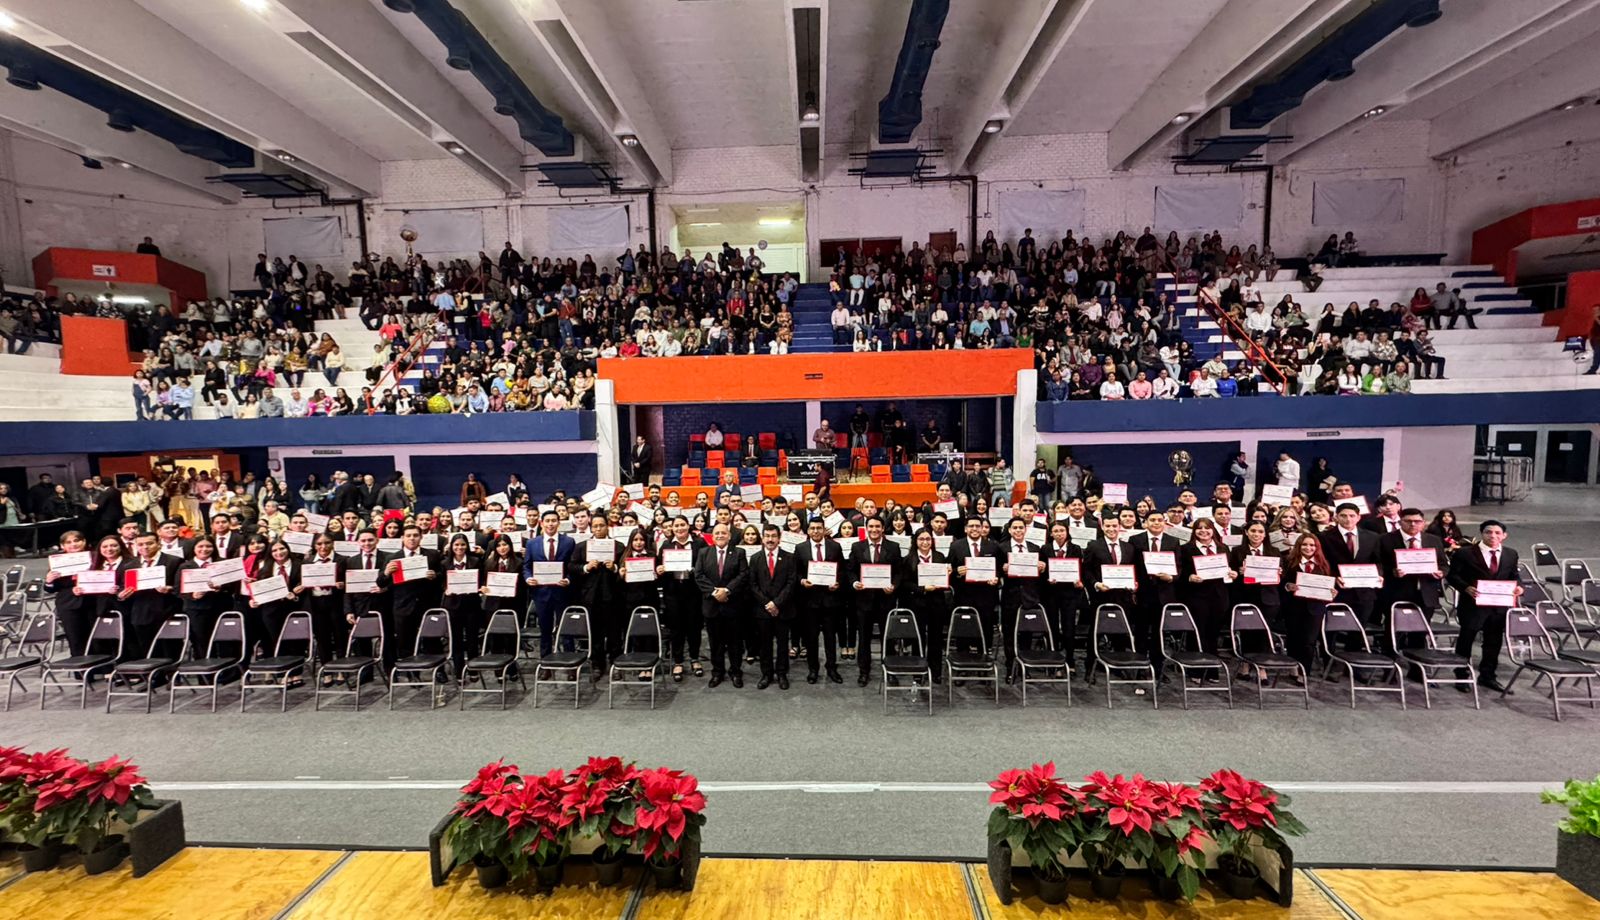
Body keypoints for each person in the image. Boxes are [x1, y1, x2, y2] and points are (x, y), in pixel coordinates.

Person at [1448, 520, 1521, 694]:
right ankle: (1462, 675)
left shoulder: (1511, 554)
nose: (1493, 536)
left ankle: (1487, 676)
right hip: (1472, 605)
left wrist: (1519, 586)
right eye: (1489, 532)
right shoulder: (1465, 553)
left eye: (1497, 533)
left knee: (1493, 642)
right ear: (1482, 534)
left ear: (1504, 536)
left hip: (1498, 606)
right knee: (1466, 640)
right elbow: (1452, 576)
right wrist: (1466, 587)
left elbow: (1514, 575)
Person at [848, 516, 901, 686]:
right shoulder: (857, 547)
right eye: (871, 526)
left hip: (886, 600)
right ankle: (864, 671)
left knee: (889, 638)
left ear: (883, 528)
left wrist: (894, 585)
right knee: (864, 638)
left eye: (877, 526)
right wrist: (854, 582)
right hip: (864, 601)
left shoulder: (893, 547)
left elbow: (899, 572)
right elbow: (850, 571)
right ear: (866, 528)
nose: (874, 529)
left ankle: (890, 670)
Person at [1319, 502, 1384, 639]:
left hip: (1364, 591)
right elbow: (1322, 563)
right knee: (1331, 631)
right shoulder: (1324, 537)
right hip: (1337, 590)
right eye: (1343, 516)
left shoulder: (1372, 537)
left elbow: (1378, 561)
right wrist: (1334, 577)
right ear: (1336, 517)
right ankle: (1329, 658)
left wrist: (1379, 574)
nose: (1348, 519)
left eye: (1352, 516)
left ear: (1358, 517)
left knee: (1358, 631)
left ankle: (1354, 656)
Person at [694, 522, 748, 688]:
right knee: (715, 642)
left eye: (723, 533)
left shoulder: (739, 552)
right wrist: (715, 592)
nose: (720, 536)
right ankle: (717, 672)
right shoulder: (704, 552)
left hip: (732, 605)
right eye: (716, 533)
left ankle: (736, 671)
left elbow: (743, 574)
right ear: (712, 536)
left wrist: (727, 590)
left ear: (729, 535)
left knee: (735, 642)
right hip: (712, 606)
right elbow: (699, 575)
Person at [568, 517, 621, 679]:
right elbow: (571, 566)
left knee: (614, 632)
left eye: (601, 526)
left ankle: (616, 663)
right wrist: (586, 567)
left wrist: (615, 568)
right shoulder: (582, 547)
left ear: (608, 527)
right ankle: (597, 664)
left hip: (612, 596)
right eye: (595, 526)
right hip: (590, 596)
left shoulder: (618, 547)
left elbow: (626, 567)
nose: (598, 529)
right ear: (591, 528)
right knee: (595, 632)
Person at [747, 524, 798, 690]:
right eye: (767, 536)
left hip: (783, 609)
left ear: (779, 538)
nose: (770, 539)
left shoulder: (789, 557)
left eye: (773, 536)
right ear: (762, 538)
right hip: (762, 610)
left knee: (783, 644)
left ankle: (782, 673)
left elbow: (791, 583)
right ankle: (766, 674)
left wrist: (777, 603)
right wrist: (767, 604)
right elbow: (752, 584)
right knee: (764, 644)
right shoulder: (755, 558)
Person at [380, 523, 441, 661]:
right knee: (405, 641)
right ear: (402, 538)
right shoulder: (393, 558)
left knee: (433, 641)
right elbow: (380, 583)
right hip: (403, 607)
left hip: (428, 605)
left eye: (415, 535)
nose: (412, 538)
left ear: (421, 537)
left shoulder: (432, 554)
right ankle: (410, 673)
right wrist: (386, 573)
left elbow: (443, 576)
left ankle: (439, 671)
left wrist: (435, 576)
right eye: (408, 536)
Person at [797, 516, 846, 684]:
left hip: (830, 600)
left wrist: (837, 583)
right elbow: (796, 572)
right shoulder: (800, 548)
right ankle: (813, 669)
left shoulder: (835, 547)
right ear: (808, 530)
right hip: (809, 601)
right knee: (811, 638)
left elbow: (842, 571)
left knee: (831, 637)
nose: (816, 531)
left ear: (824, 530)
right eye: (813, 528)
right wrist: (802, 581)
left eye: (819, 528)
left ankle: (831, 668)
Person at [656, 515, 704, 681]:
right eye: (676, 526)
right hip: (673, 593)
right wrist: (660, 569)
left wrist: (694, 570)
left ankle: (695, 658)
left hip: (693, 592)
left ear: (688, 525)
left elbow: (705, 566)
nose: (679, 528)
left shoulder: (699, 543)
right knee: (676, 628)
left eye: (682, 525)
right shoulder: (666, 545)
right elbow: (658, 568)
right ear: (672, 528)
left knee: (694, 627)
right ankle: (678, 661)